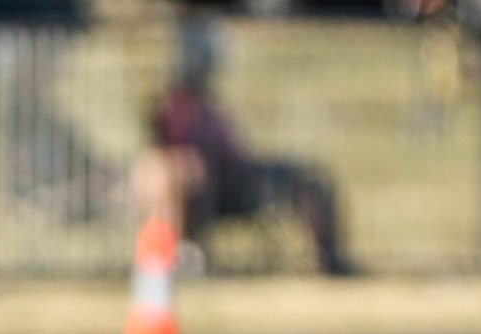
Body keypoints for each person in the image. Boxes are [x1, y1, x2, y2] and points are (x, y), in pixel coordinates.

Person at [131, 22, 356, 279]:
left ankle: (332, 260)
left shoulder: (208, 105)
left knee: (313, 181)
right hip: (224, 188)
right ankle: (177, 255)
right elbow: (181, 154)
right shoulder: (176, 107)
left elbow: (239, 151)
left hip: (244, 176)